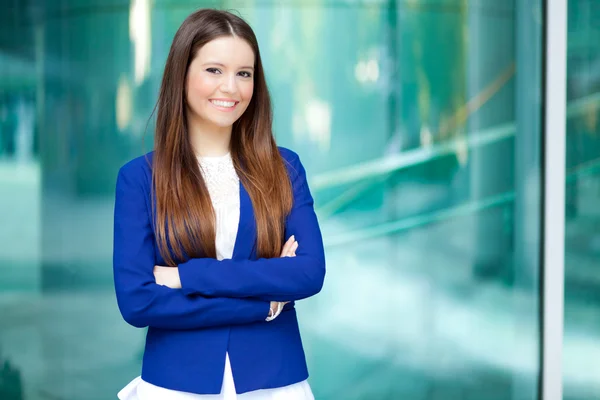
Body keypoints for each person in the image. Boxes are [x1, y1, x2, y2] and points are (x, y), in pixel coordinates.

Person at [112, 8, 326, 400]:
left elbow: (309, 273)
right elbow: (138, 302)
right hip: (176, 385)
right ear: (183, 75)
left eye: (244, 73)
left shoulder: (284, 167)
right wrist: (262, 303)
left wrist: (186, 277)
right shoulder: (139, 179)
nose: (231, 87)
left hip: (275, 383)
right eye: (214, 70)